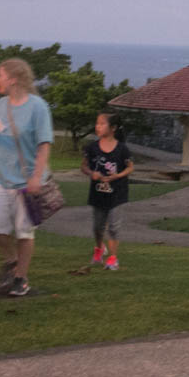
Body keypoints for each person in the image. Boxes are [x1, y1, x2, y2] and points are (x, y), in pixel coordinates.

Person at [0, 58, 54, 296]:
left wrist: (36, 177)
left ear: (12, 79)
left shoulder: (38, 107)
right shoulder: (0, 105)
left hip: (26, 181)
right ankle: (13, 260)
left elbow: (44, 145)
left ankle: (21, 277)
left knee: (24, 231)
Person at [81, 113, 133, 270]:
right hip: (98, 193)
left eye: (102, 124)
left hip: (117, 193)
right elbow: (83, 166)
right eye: (97, 124)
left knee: (114, 227)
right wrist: (92, 173)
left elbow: (130, 167)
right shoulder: (92, 148)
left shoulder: (122, 149)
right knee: (98, 227)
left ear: (113, 128)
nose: (98, 127)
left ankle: (112, 258)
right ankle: (99, 249)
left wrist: (118, 175)